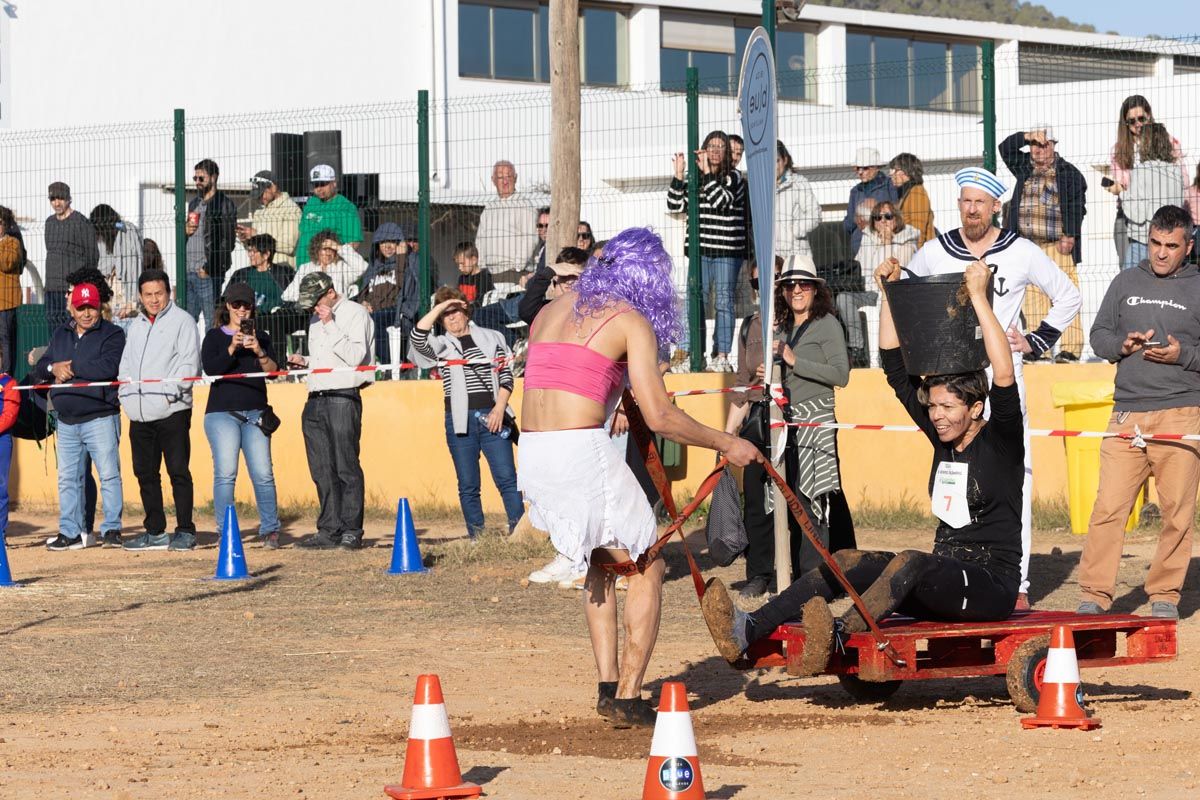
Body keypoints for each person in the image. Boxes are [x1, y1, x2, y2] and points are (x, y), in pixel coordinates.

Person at [704, 258, 1021, 673]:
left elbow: (1003, 372)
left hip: (988, 586)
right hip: (940, 576)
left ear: (976, 407)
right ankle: (749, 627)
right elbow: (893, 367)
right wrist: (887, 292)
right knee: (849, 560)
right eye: (935, 406)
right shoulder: (941, 436)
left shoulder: (1002, 441)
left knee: (910, 559)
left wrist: (978, 297)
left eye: (948, 406)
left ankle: (837, 636)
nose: (938, 415)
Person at [517, 227, 762, 727]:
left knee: (604, 560)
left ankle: (609, 687)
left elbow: (575, 377)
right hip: (578, 449)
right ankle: (629, 697)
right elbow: (662, 416)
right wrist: (727, 443)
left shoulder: (548, 312)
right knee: (648, 564)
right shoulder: (628, 320)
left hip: (535, 451)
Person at [906, 167, 1081, 610]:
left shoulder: (1020, 250)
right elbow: (908, 290)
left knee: (1013, 478)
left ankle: (1016, 584)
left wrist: (1037, 338)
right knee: (953, 474)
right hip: (952, 385)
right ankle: (954, 563)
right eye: (965, 201)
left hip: (1003, 382)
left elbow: (1069, 296)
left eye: (979, 203)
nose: (971, 210)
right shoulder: (935, 250)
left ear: (995, 206)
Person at [1077, 205, 1198, 621]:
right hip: (1126, 414)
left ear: (1188, 247)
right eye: (1154, 243)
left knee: (1176, 513)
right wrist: (1122, 346)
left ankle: (1164, 594)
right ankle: (1094, 594)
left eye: (1171, 246)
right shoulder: (1126, 281)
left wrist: (1185, 354)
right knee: (1108, 508)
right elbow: (1098, 336)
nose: (1161, 253)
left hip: (1182, 413)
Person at [410, 287, 522, 538]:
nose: (451, 318)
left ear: (465, 310)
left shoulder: (493, 337)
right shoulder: (439, 344)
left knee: (507, 478)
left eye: (455, 311)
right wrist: (439, 306)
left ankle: (519, 532)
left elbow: (506, 375)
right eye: (445, 314)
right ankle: (477, 536)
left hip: (493, 414)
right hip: (458, 420)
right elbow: (417, 337)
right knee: (469, 484)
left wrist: (499, 408)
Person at [287, 272, 375, 550]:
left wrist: (331, 323)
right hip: (315, 396)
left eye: (315, 301)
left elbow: (354, 357)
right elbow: (328, 358)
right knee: (322, 468)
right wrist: (305, 361)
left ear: (330, 292)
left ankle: (351, 529)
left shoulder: (355, 314)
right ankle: (329, 529)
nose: (312, 308)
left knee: (346, 465)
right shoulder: (316, 319)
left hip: (342, 396)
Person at [35, 283, 125, 551]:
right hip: (66, 420)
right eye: (81, 307)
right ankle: (70, 532)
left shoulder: (113, 334)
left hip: (100, 416)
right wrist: (53, 367)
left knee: (109, 474)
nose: (86, 313)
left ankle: (112, 530)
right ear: (72, 308)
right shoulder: (60, 333)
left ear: (100, 307)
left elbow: (109, 367)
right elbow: (42, 366)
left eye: (91, 307)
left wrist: (70, 368)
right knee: (68, 479)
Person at [119, 269, 201, 551]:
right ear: (140, 296)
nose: (154, 300)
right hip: (139, 413)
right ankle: (154, 531)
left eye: (159, 293)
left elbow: (189, 366)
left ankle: (186, 530)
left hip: (172, 412)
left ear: (169, 293)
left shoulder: (183, 322)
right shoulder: (136, 326)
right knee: (144, 473)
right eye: (148, 294)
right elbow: (126, 365)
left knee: (178, 471)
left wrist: (167, 397)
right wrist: (127, 397)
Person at [201, 282, 281, 550]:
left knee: (263, 473)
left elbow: (273, 371)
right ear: (228, 306)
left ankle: (270, 530)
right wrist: (232, 347)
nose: (242, 310)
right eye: (237, 305)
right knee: (226, 473)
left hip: (256, 412)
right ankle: (226, 533)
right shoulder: (214, 337)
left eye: (246, 305)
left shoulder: (263, 336)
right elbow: (211, 370)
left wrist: (258, 350)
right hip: (222, 413)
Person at [1000, 125, 1088, 363]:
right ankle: (1040, 349)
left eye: (1043, 144)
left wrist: (1070, 234)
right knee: (1032, 300)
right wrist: (1027, 135)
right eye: (1033, 145)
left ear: (1053, 146)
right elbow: (1005, 148)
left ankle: (1070, 349)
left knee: (1066, 295)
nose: (1037, 150)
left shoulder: (1069, 173)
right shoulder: (1024, 169)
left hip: (1057, 244)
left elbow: (1076, 205)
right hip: (1028, 246)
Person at [666, 130, 748, 373]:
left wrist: (708, 175)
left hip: (726, 251)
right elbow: (675, 205)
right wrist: (679, 176)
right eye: (710, 146)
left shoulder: (734, 177)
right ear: (702, 149)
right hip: (699, 249)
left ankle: (720, 354)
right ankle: (688, 352)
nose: (714, 150)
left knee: (723, 301)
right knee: (694, 301)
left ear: (726, 153)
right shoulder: (696, 177)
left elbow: (720, 201)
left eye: (719, 146)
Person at [1110, 95, 1187, 264]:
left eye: (1141, 118)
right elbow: (1124, 186)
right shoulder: (1119, 150)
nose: (1137, 124)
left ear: (1149, 116)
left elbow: (1183, 183)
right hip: (1131, 217)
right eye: (1131, 121)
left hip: (1165, 218)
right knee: (1130, 269)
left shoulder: (1169, 142)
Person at [840, 200, 919, 365]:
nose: (882, 221)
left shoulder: (907, 240)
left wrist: (887, 244)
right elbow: (861, 268)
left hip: (893, 294)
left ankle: (887, 356)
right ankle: (858, 349)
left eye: (888, 216)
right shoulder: (867, 238)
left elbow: (895, 270)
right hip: (868, 292)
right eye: (877, 217)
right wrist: (877, 245)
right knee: (843, 298)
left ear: (896, 219)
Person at [354, 222, 420, 371]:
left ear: (400, 243)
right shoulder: (374, 266)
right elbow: (364, 291)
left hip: (395, 311)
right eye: (383, 242)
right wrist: (362, 302)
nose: (388, 246)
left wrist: (402, 257)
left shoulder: (410, 261)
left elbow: (405, 287)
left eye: (392, 241)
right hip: (372, 311)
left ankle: (392, 364)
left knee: (375, 321)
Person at [185, 159, 237, 321]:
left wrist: (208, 268)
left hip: (207, 273)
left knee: (212, 320)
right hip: (188, 271)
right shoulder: (194, 203)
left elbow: (227, 242)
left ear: (213, 178)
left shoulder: (224, 204)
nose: (197, 182)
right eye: (195, 179)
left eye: (202, 178)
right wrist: (185, 231)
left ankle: (211, 347)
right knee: (188, 321)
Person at [44, 182, 99, 330]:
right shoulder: (49, 223)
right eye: (53, 199)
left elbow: (92, 256)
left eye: (60, 198)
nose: (56, 203)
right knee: (54, 334)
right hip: (51, 288)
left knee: (73, 330)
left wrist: (79, 283)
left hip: (72, 289)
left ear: (69, 198)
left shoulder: (81, 222)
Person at [475, 160, 539, 283]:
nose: (505, 181)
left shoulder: (524, 205)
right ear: (493, 180)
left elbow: (531, 238)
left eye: (509, 176)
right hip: (489, 274)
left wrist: (517, 266)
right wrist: (482, 266)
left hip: (514, 273)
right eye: (500, 177)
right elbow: (480, 240)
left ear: (515, 178)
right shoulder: (489, 208)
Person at [295, 164, 363, 270]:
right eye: (316, 185)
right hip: (303, 266)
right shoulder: (312, 202)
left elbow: (353, 242)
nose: (319, 189)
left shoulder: (345, 207)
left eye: (323, 184)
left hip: (327, 269)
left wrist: (333, 265)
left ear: (334, 183)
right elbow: (301, 232)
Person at [89, 204, 143, 323]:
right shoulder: (102, 244)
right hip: (109, 289)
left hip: (124, 288)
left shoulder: (124, 229)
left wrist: (111, 224)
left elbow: (124, 226)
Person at [282, 229, 367, 304]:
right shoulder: (305, 268)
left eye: (331, 249)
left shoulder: (341, 267)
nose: (328, 253)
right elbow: (287, 295)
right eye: (324, 249)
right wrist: (310, 299)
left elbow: (362, 267)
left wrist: (338, 247)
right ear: (316, 250)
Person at [238, 170, 302, 268]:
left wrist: (258, 235)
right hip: (258, 270)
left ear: (273, 187)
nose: (259, 198)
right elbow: (255, 247)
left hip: (281, 271)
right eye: (257, 195)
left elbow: (289, 246)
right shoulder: (259, 211)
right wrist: (246, 239)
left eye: (261, 193)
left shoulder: (291, 209)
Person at [843, 147, 897, 258]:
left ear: (876, 168)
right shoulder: (855, 192)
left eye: (865, 168)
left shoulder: (889, 186)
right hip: (861, 249)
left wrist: (877, 210)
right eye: (858, 168)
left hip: (886, 245)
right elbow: (848, 225)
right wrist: (857, 216)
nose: (860, 172)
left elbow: (899, 214)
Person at [774, 140, 820, 259]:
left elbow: (815, 214)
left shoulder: (798, 182)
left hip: (796, 253)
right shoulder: (762, 188)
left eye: (777, 161)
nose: (773, 166)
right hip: (772, 257)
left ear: (785, 160)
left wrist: (795, 231)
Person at [889, 153, 935, 246]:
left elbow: (918, 231)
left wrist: (916, 257)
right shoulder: (906, 193)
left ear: (905, 171)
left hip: (916, 253)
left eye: (893, 170)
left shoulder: (917, 192)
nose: (891, 175)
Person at [0, 206, 22, 373]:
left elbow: (7, 263)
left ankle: (6, 377)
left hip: (6, 302)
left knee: (6, 340)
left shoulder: (12, 242)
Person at [453, 241, 494, 308]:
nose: (459, 268)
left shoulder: (484, 278)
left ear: (474, 260)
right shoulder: (461, 278)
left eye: (462, 264)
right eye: (458, 264)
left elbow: (481, 302)